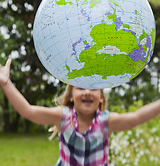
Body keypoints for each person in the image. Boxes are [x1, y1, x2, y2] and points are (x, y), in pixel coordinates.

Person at [0, 58, 160, 166]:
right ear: (70, 97)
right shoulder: (62, 117)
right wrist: (6, 83)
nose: (87, 92)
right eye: (80, 88)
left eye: (93, 88)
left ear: (101, 98)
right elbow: (28, 111)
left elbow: (137, 117)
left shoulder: (106, 121)